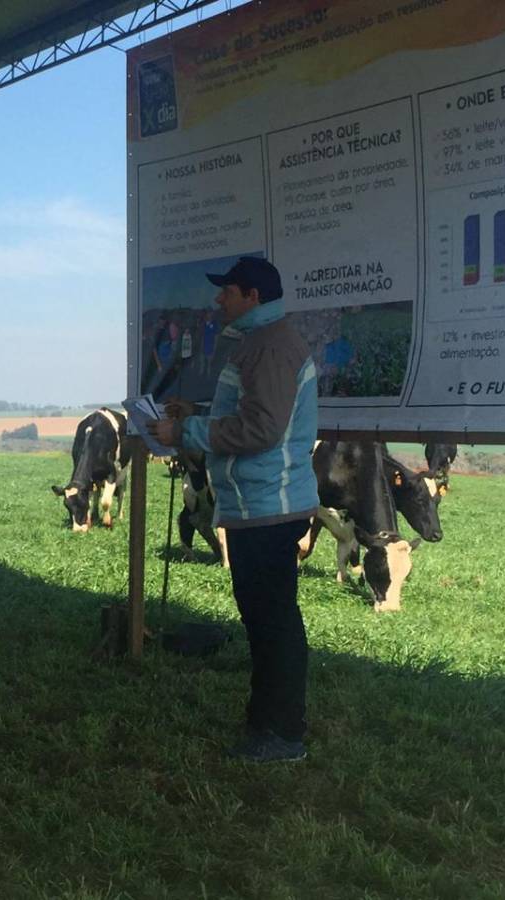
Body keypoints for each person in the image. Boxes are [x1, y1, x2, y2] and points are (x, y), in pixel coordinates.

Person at [150, 256, 318, 763]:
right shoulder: (262, 341)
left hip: (268, 506)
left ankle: (282, 734)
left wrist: (185, 431)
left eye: (227, 292)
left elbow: (261, 430)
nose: (218, 299)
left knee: (272, 622)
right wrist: (198, 413)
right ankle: (269, 722)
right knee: (266, 619)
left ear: (252, 296)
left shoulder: (269, 347)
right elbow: (250, 415)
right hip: (258, 505)